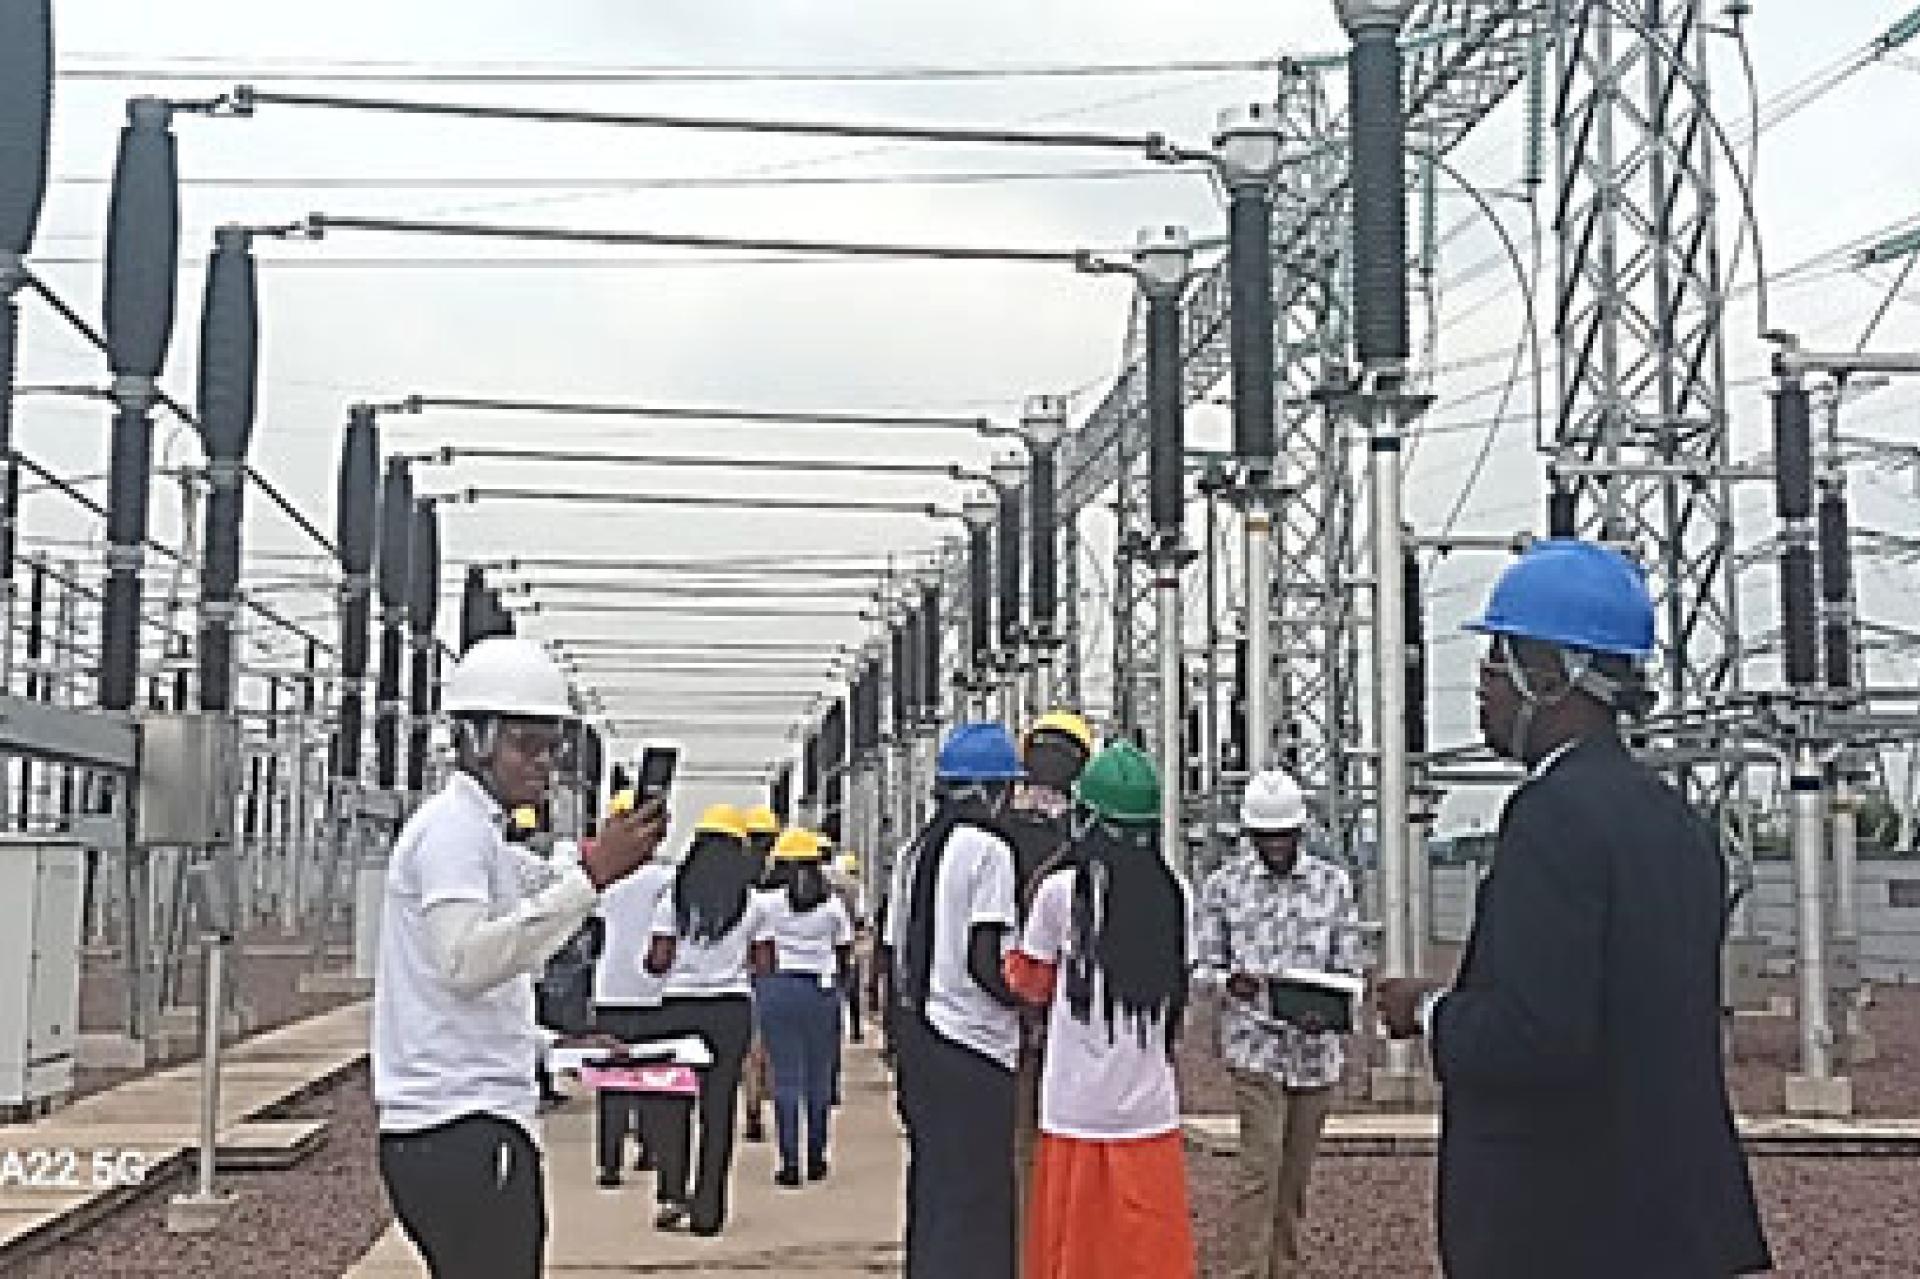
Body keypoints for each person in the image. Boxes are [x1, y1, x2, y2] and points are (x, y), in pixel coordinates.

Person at [1375, 539, 1772, 1278]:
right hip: (1673, 1220)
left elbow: (1538, 1038)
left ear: (1552, 677)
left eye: (1499, 657)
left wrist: (1428, 1009)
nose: (1484, 682)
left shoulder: (1552, 819)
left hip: (1566, 1225)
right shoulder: (1678, 825)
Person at [371, 636, 667, 1279]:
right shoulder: (452, 833)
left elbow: (473, 995)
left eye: (551, 745)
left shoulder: (475, 832)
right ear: (476, 741)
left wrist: (556, 1044)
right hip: (462, 1129)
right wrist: (592, 879)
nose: (543, 763)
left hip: (459, 1124)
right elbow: (467, 962)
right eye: (525, 744)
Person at [1005, 741, 1196, 1279]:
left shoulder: (1064, 892)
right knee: (1147, 1254)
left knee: (1076, 1252)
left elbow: (1031, 982)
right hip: (1149, 1111)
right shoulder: (1174, 894)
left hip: (1075, 1107)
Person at [1195, 765, 1361, 1279]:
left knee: (1293, 1177)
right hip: (1255, 1046)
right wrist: (1230, 984)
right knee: (1259, 1169)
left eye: (1284, 836)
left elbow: (1350, 966)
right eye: (1267, 838)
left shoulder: (1333, 886)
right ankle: (1245, 1270)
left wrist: (1328, 1010)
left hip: (1314, 1055)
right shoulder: (1225, 887)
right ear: (1250, 835)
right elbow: (1201, 968)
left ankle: (1282, 1266)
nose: (1276, 846)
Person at [886, 721, 1027, 1279]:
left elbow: (894, 952)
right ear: (991, 791)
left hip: (921, 1036)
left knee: (933, 1181)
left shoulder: (912, 854)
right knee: (981, 1193)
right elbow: (984, 956)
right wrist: (1026, 1000)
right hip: (976, 1043)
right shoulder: (990, 851)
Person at [645, 804, 775, 1237]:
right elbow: (765, 964)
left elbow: (658, 961)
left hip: (678, 1007)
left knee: (673, 1105)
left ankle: (670, 1194)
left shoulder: (673, 898)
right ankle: (709, 1211)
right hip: (728, 1010)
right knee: (718, 1111)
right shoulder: (752, 903)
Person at [999, 708, 1095, 1245]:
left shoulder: (997, 828)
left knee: (1020, 1148)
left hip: (1010, 1002)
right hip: (1076, 1011)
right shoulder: (1092, 836)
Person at [754, 827, 855, 1185]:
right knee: (818, 1079)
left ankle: (789, 1162)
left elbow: (756, 950)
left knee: (786, 1080)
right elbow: (845, 955)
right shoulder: (832, 908)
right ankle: (816, 1155)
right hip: (821, 992)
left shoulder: (765, 905)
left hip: (778, 990)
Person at [590, 828, 678, 1187]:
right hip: (655, 989)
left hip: (612, 987)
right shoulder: (666, 880)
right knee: (653, 1078)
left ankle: (609, 1164)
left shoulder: (605, 882)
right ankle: (649, 1147)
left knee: (612, 1081)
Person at [738, 802, 783, 1144]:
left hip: (740, 971)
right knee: (771, 1049)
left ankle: (752, 1103)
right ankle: (765, 1102)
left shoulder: (735, 879)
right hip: (774, 972)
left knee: (751, 1052)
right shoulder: (789, 880)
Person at [830, 850, 867, 1042]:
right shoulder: (856, 888)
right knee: (852, 986)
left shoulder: (828, 885)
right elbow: (861, 916)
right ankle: (856, 1029)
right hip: (849, 941)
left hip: (828, 943)